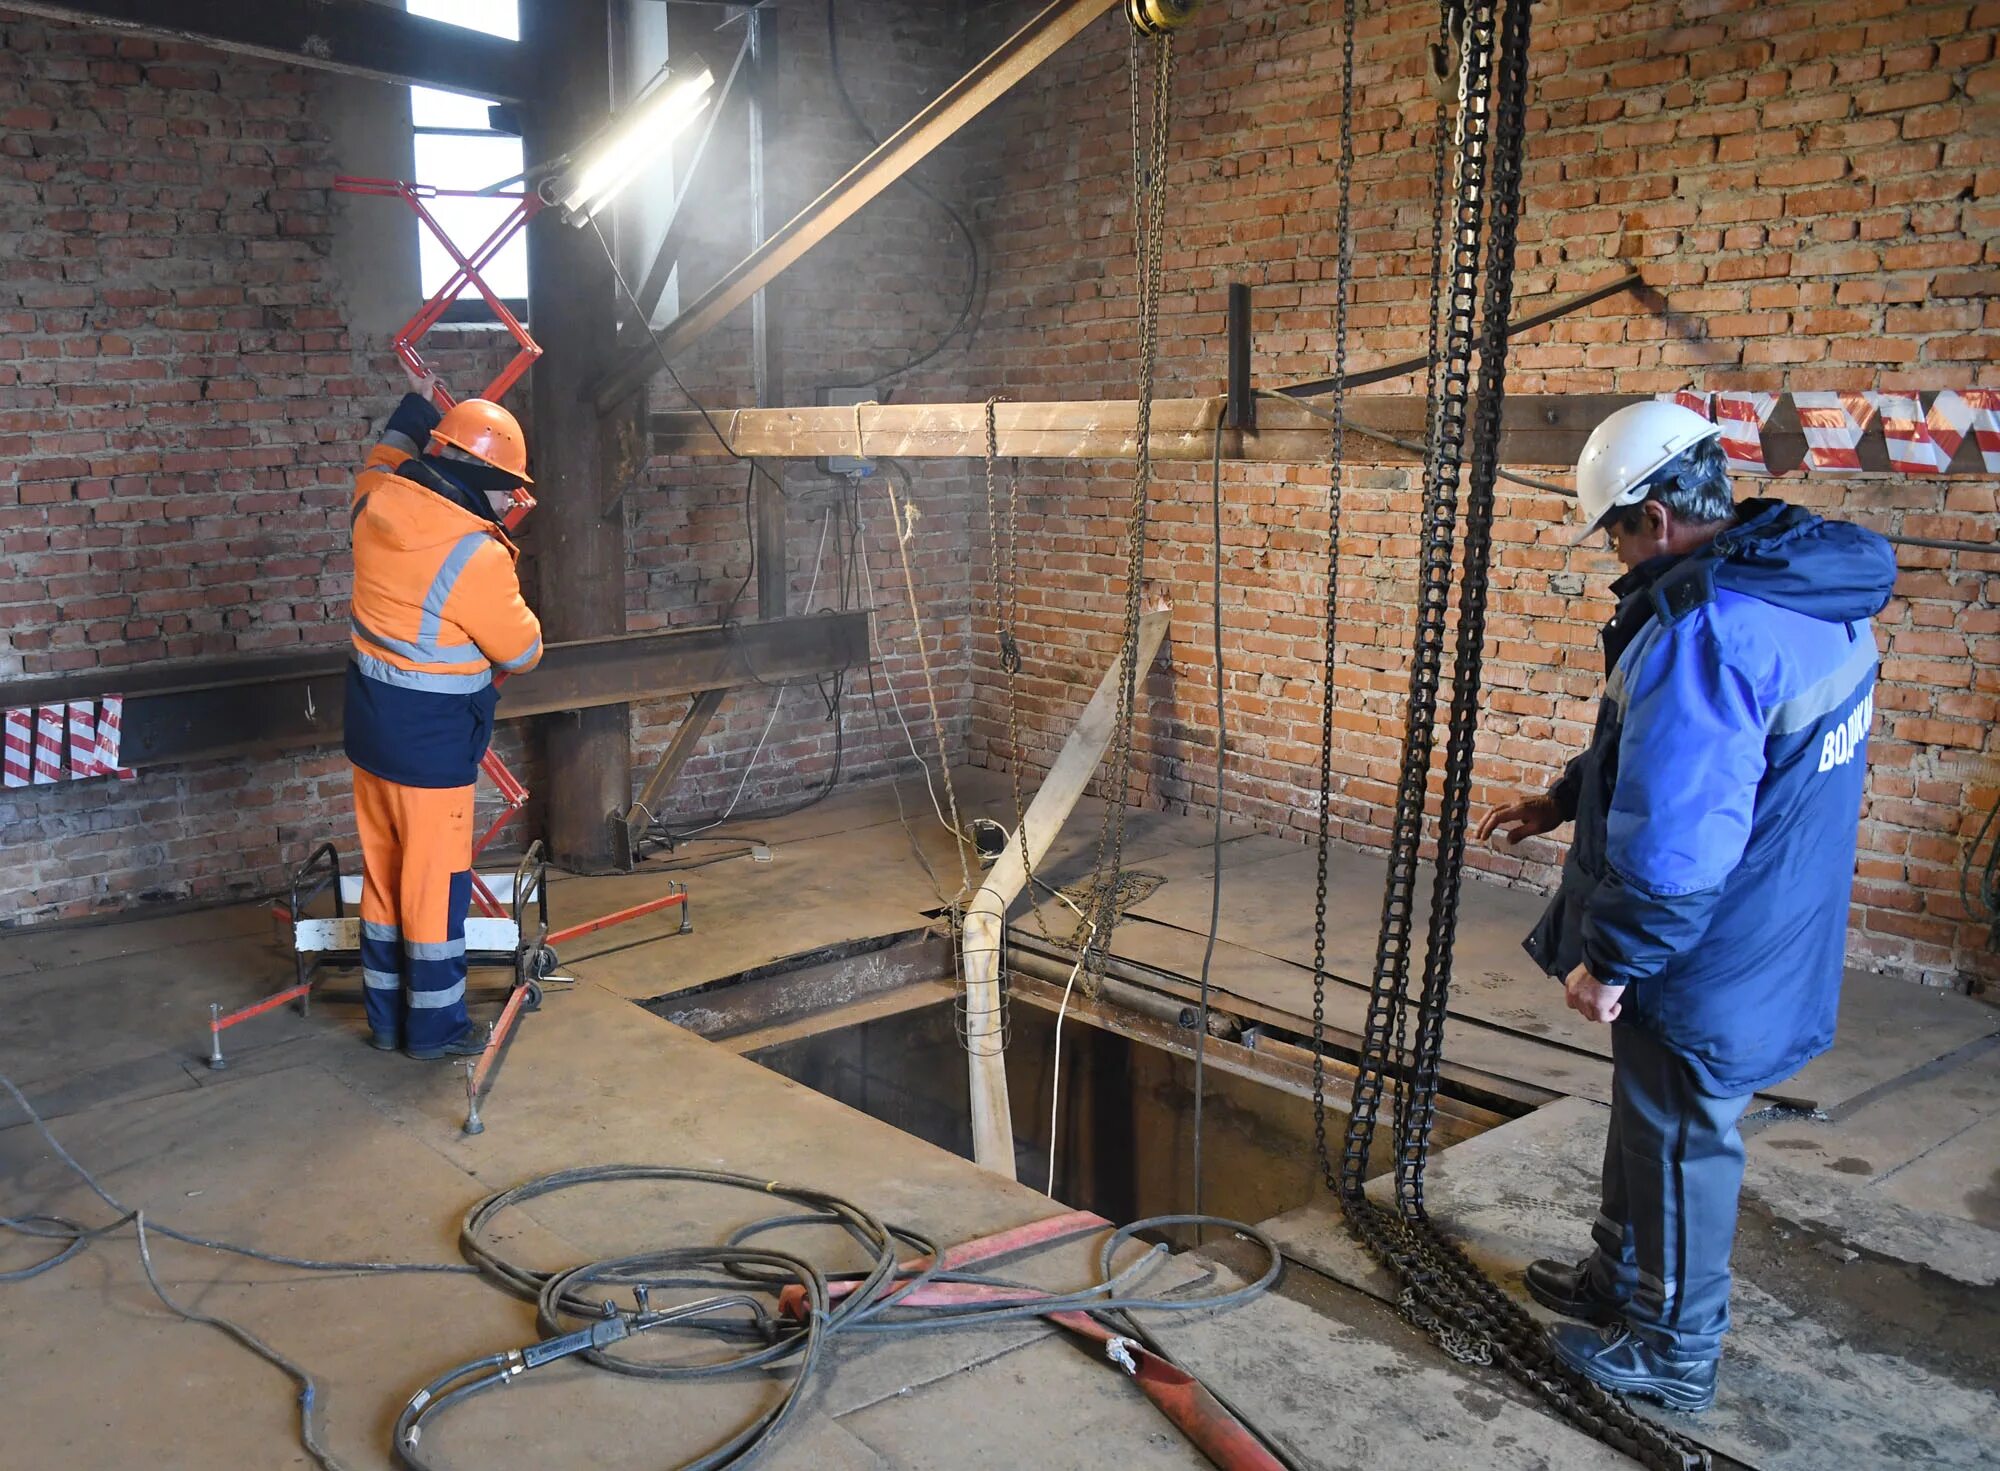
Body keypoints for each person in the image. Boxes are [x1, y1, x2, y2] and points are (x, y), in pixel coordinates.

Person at [1475, 400, 1897, 1410]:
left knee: (1680, 1136)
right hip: (1773, 916)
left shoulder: (1705, 630)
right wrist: (1565, 797)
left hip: (1712, 943)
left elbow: (1675, 842)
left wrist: (1613, 959)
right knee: (1649, 1111)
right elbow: (1685, 754)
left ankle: (1671, 1344)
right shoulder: (1798, 587)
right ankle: (1617, 1278)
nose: (1614, 553)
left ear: (1654, 517)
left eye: (1614, 530)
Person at [344, 364, 543, 1060]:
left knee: (382, 880)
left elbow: (385, 451)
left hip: (369, 736)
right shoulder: (476, 556)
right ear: (493, 485)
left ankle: (385, 1022)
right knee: (433, 894)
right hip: (431, 754)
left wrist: (415, 404)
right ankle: (433, 1031)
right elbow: (524, 649)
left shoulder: (373, 501)